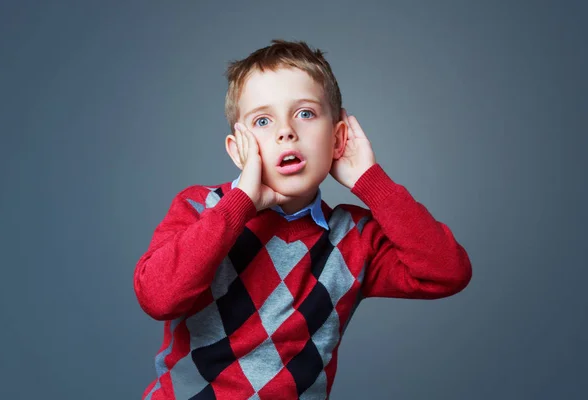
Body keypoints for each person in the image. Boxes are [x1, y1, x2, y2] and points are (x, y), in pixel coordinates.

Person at [134, 39, 472, 400]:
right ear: (237, 149)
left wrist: (370, 181)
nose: (286, 131)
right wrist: (239, 205)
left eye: (305, 113)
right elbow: (158, 298)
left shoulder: (353, 238)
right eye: (262, 120)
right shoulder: (203, 208)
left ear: (338, 139)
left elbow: (447, 272)